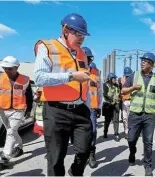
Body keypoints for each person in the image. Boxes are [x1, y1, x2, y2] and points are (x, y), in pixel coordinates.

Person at [33, 13, 93, 176]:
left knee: (85, 149)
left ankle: (75, 171)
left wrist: (89, 105)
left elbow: (84, 86)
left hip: (80, 110)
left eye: (83, 35)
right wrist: (71, 76)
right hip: (56, 111)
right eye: (78, 34)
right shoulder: (47, 47)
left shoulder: (82, 54)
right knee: (56, 158)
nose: (81, 39)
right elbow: (39, 78)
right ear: (66, 30)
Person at [122, 52, 155, 176]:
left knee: (148, 141)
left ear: (152, 65)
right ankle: (132, 152)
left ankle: (148, 165)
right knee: (131, 139)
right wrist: (132, 88)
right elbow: (123, 90)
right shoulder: (134, 75)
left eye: (146, 61)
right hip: (135, 114)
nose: (142, 62)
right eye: (142, 60)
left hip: (150, 115)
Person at [0, 56, 33, 166]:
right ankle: (19, 147)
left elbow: (29, 97)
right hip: (2, 109)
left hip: (17, 110)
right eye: (5, 68)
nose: (7, 70)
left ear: (17, 67)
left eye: (10, 68)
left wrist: (28, 110)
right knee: (11, 131)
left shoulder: (25, 80)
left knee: (10, 132)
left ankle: (5, 156)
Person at [83, 46, 103, 169]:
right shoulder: (74, 71)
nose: (87, 61)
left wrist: (99, 106)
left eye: (89, 59)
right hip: (77, 108)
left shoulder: (96, 73)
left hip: (91, 108)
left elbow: (99, 91)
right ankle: (82, 153)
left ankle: (91, 153)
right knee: (78, 135)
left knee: (93, 131)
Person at [102, 73, 121, 142]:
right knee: (107, 120)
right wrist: (111, 100)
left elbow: (118, 94)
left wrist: (118, 99)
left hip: (116, 104)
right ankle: (105, 132)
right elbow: (105, 95)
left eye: (115, 78)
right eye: (114, 78)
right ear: (110, 79)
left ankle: (116, 134)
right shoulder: (105, 85)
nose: (115, 80)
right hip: (108, 105)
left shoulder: (116, 86)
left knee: (116, 120)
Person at [120, 67, 133, 139]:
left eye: (129, 75)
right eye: (126, 75)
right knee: (125, 118)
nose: (127, 77)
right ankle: (126, 132)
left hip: (131, 101)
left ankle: (131, 132)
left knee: (131, 118)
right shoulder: (122, 81)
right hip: (124, 101)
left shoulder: (133, 81)